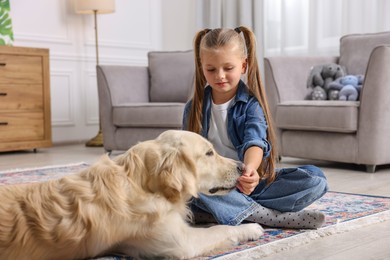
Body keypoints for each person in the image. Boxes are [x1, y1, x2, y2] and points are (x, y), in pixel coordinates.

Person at [182, 26, 328, 229]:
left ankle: (220, 212)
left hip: (247, 184)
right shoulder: (193, 108)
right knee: (188, 187)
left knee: (316, 179)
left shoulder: (251, 105)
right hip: (211, 184)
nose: (220, 75)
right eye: (211, 69)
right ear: (201, 67)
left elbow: (255, 141)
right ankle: (267, 216)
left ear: (243, 66)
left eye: (228, 68)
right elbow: (189, 159)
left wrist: (250, 171)